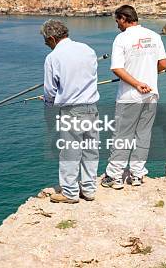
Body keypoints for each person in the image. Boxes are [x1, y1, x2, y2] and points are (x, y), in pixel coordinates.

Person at [102, 5, 166, 189]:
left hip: (129, 96)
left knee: (122, 136)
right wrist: (149, 75)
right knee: (143, 135)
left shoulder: (121, 38)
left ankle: (114, 177)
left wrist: (137, 83)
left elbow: (117, 68)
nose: (117, 26)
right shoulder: (154, 36)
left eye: (117, 21)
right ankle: (137, 175)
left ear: (124, 18)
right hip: (152, 95)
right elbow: (163, 63)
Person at [41, 19, 100, 203]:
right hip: (92, 107)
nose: (46, 45)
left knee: (70, 152)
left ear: (52, 38)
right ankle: (89, 190)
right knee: (91, 149)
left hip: (71, 110)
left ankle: (70, 192)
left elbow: (50, 90)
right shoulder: (87, 50)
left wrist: (49, 103)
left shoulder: (53, 58)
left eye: (46, 41)